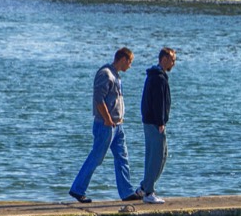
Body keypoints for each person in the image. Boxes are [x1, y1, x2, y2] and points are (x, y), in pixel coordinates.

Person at [69, 47, 142, 203]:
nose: (130, 66)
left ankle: (127, 192)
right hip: (106, 125)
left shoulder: (116, 75)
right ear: (123, 59)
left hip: (118, 126)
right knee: (96, 157)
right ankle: (77, 189)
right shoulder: (105, 74)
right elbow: (99, 99)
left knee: (122, 158)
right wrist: (108, 119)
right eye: (130, 62)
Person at [139, 47, 176, 204]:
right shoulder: (159, 78)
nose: (174, 63)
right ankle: (148, 192)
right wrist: (160, 122)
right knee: (158, 156)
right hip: (155, 123)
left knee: (152, 155)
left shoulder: (153, 76)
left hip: (149, 121)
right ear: (164, 59)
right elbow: (158, 103)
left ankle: (143, 188)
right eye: (172, 59)